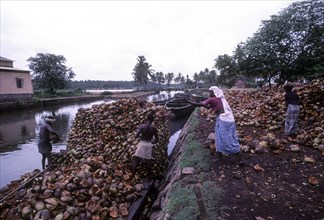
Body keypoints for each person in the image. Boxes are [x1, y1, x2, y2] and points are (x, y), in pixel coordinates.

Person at [187, 86, 241, 161]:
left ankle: (220, 158)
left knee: (220, 137)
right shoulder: (220, 99)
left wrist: (189, 102)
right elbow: (207, 107)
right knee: (231, 137)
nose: (209, 93)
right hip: (230, 120)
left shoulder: (212, 99)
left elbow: (201, 105)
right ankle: (238, 156)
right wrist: (195, 100)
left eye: (210, 92)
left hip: (223, 120)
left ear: (214, 92)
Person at [131, 112, 158, 179]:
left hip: (142, 144)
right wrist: (151, 142)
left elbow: (136, 136)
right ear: (152, 120)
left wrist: (138, 137)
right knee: (148, 161)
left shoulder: (142, 126)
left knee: (136, 161)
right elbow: (156, 140)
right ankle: (149, 178)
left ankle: (132, 176)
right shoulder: (154, 129)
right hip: (149, 144)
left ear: (147, 119)